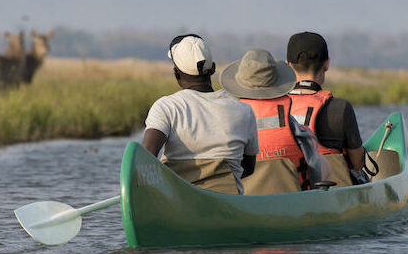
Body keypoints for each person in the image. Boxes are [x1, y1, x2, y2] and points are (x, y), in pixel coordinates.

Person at [142, 34, 258, 194]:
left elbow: (144, 160)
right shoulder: (244, 110)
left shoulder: (166, 107)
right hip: (227, 204)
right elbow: (249, 168)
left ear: (176, 74)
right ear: (213, 69)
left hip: (177, 202)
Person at [219, 48, 330, 194]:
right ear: (275, 82)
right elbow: (316, 169)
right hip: (292, 199)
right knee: (325, 165)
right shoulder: (296, 128)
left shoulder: (228, 124)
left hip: (244, 202)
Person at [286, 32, 366, 186]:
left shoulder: (276, 107)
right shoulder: (340, 108)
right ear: (327, 64)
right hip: (333, 193)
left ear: (288, 65)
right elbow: (358, 164)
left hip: (287, 189)